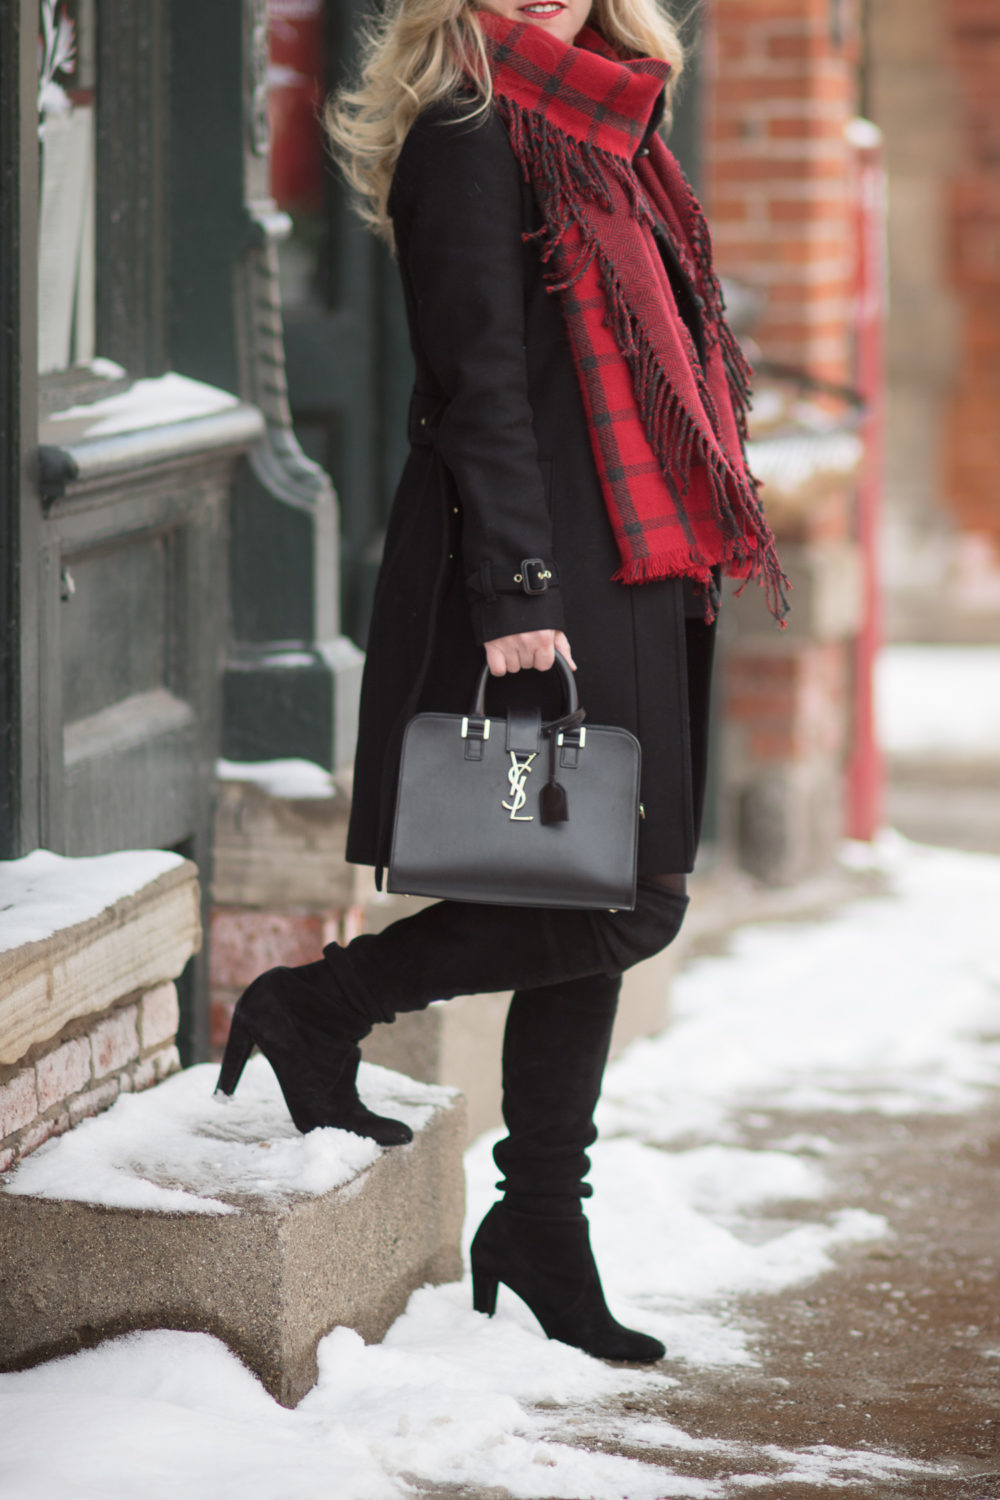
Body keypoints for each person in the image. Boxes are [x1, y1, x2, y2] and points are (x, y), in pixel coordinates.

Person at [217, 0, 785, 1363]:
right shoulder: (471, 132)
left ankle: (541, 1224)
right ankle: (320, 1005)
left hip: (639, 563)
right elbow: (476, 382)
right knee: (624, 908)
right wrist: (520, 594)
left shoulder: (614, 131)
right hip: (545, 567)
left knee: (600, 892)